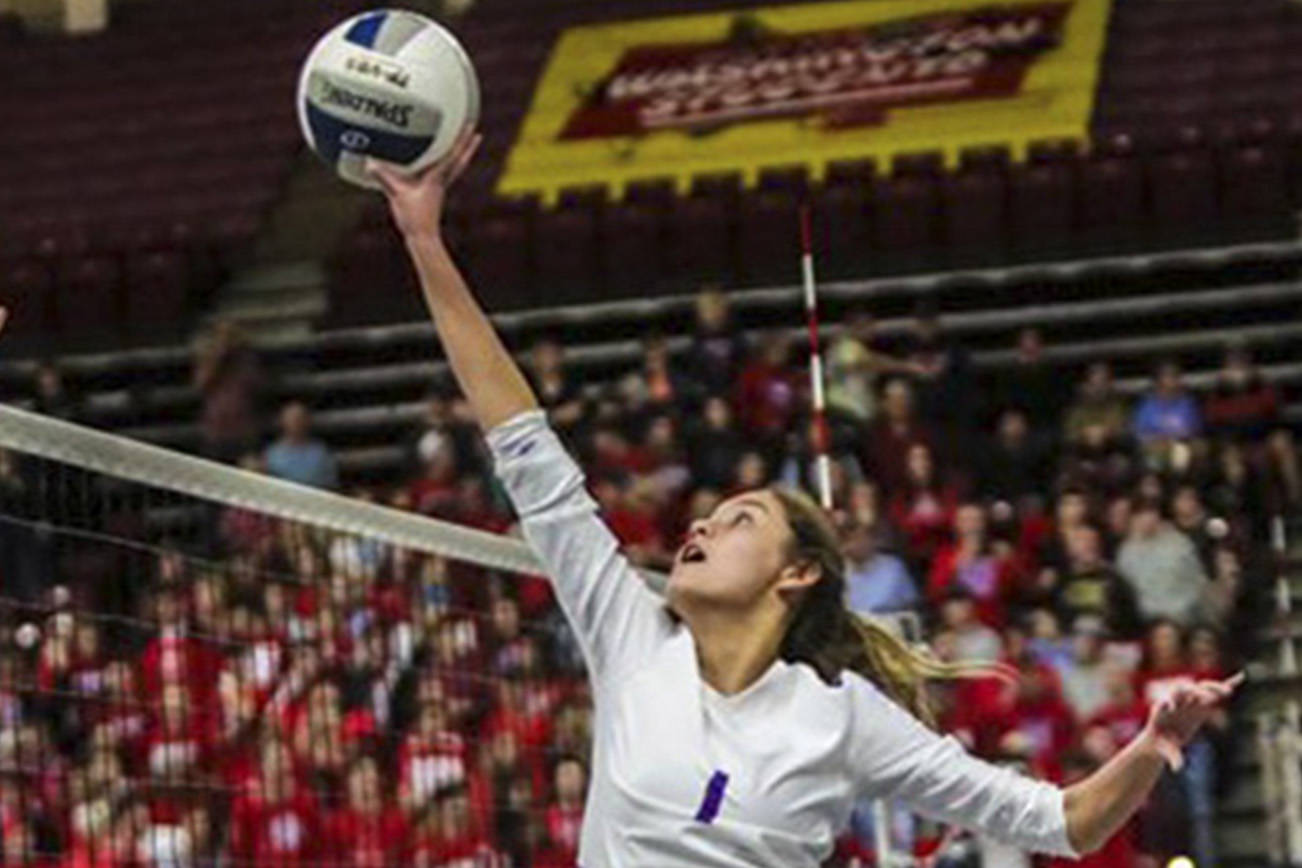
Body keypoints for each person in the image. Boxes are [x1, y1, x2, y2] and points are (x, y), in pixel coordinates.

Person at [367, 136, 1242, 868]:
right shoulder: (629, 636)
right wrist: (423, 240)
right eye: (712, 516)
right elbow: (525, 444)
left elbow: (1062, 823)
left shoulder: (839, 717)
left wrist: (1151, 747)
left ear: (796, 574)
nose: (701, 524)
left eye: (739, 519)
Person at [264, 401, 339, 491]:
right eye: (292, 419)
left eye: (299, 419)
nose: (296, 423)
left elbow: (330, 486)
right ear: (283, 422)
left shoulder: (321, 453)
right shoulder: (272, 454)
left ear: (307, 421)